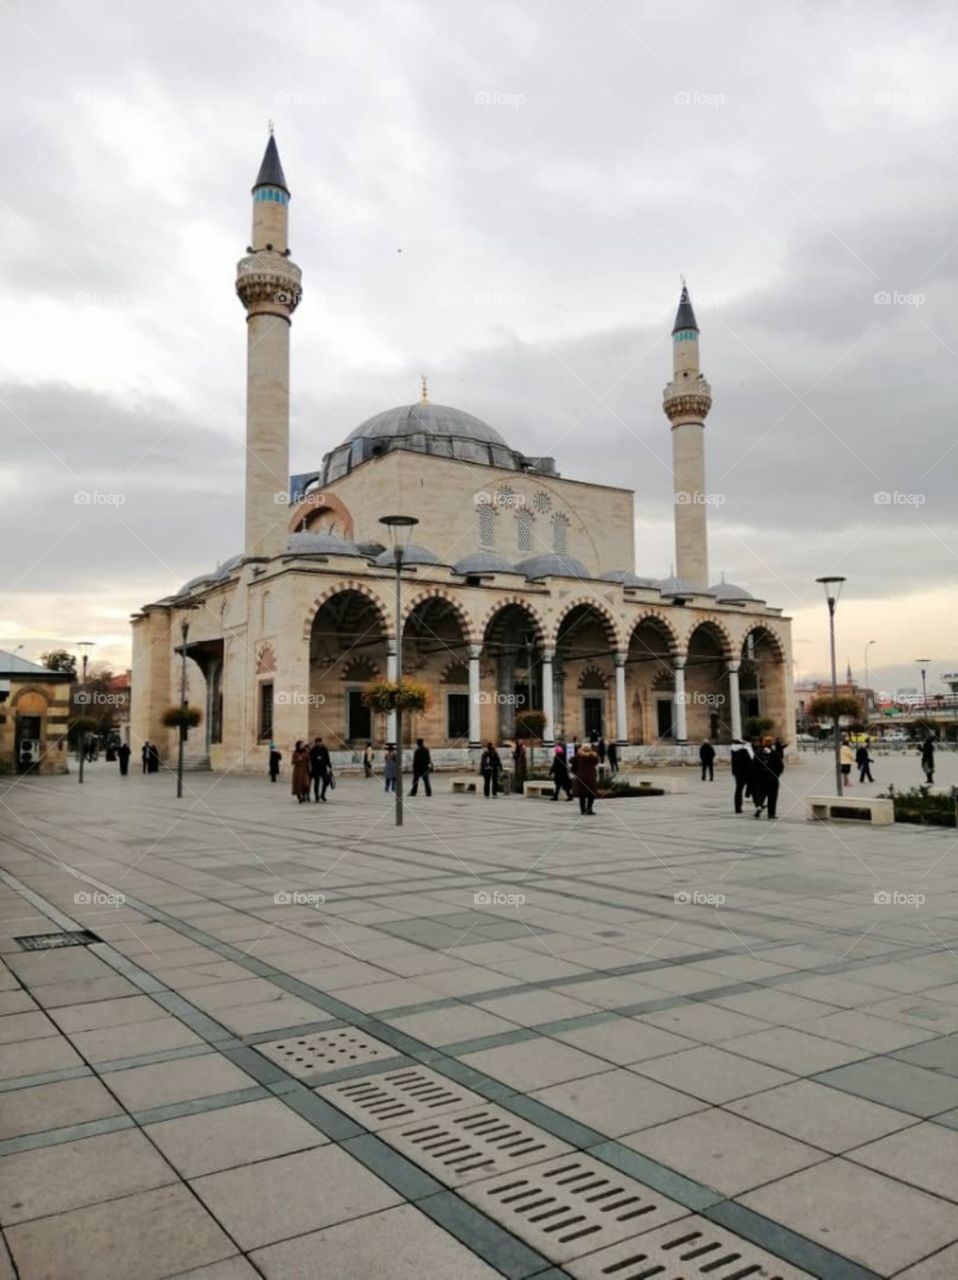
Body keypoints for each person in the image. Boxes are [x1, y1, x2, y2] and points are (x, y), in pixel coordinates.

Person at [752, 736, 784, 819]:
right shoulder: (774, 753)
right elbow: (780, 766)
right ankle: (771, 814)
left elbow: (754, 765)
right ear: (771, 744)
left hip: (761, 778)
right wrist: (777, 774)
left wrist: (757, 774)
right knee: (772, 796)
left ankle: (759, 805)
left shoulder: (758, 753)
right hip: (772, 778)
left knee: (761, 794)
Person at [729, 737, 753, 814]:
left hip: (737, 773)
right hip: (745, 773)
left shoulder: (733, 751)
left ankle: (738, 808)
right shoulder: (743, 751)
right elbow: (749, 762)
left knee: (739, 790)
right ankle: (758, 804)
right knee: (753, 787)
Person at [310, 737, 331, 802]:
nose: (319, 743)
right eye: (318, 742)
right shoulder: (313, 750)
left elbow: (327, 757)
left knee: (326, 781)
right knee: (317, 783)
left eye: (320, 742)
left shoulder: (324, 749)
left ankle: (322, 794)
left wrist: (329, 765)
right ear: (316, 743)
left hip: (323, 768)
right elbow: (311, 759)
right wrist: (317, 759)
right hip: (316, 769)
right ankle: (317, 796)